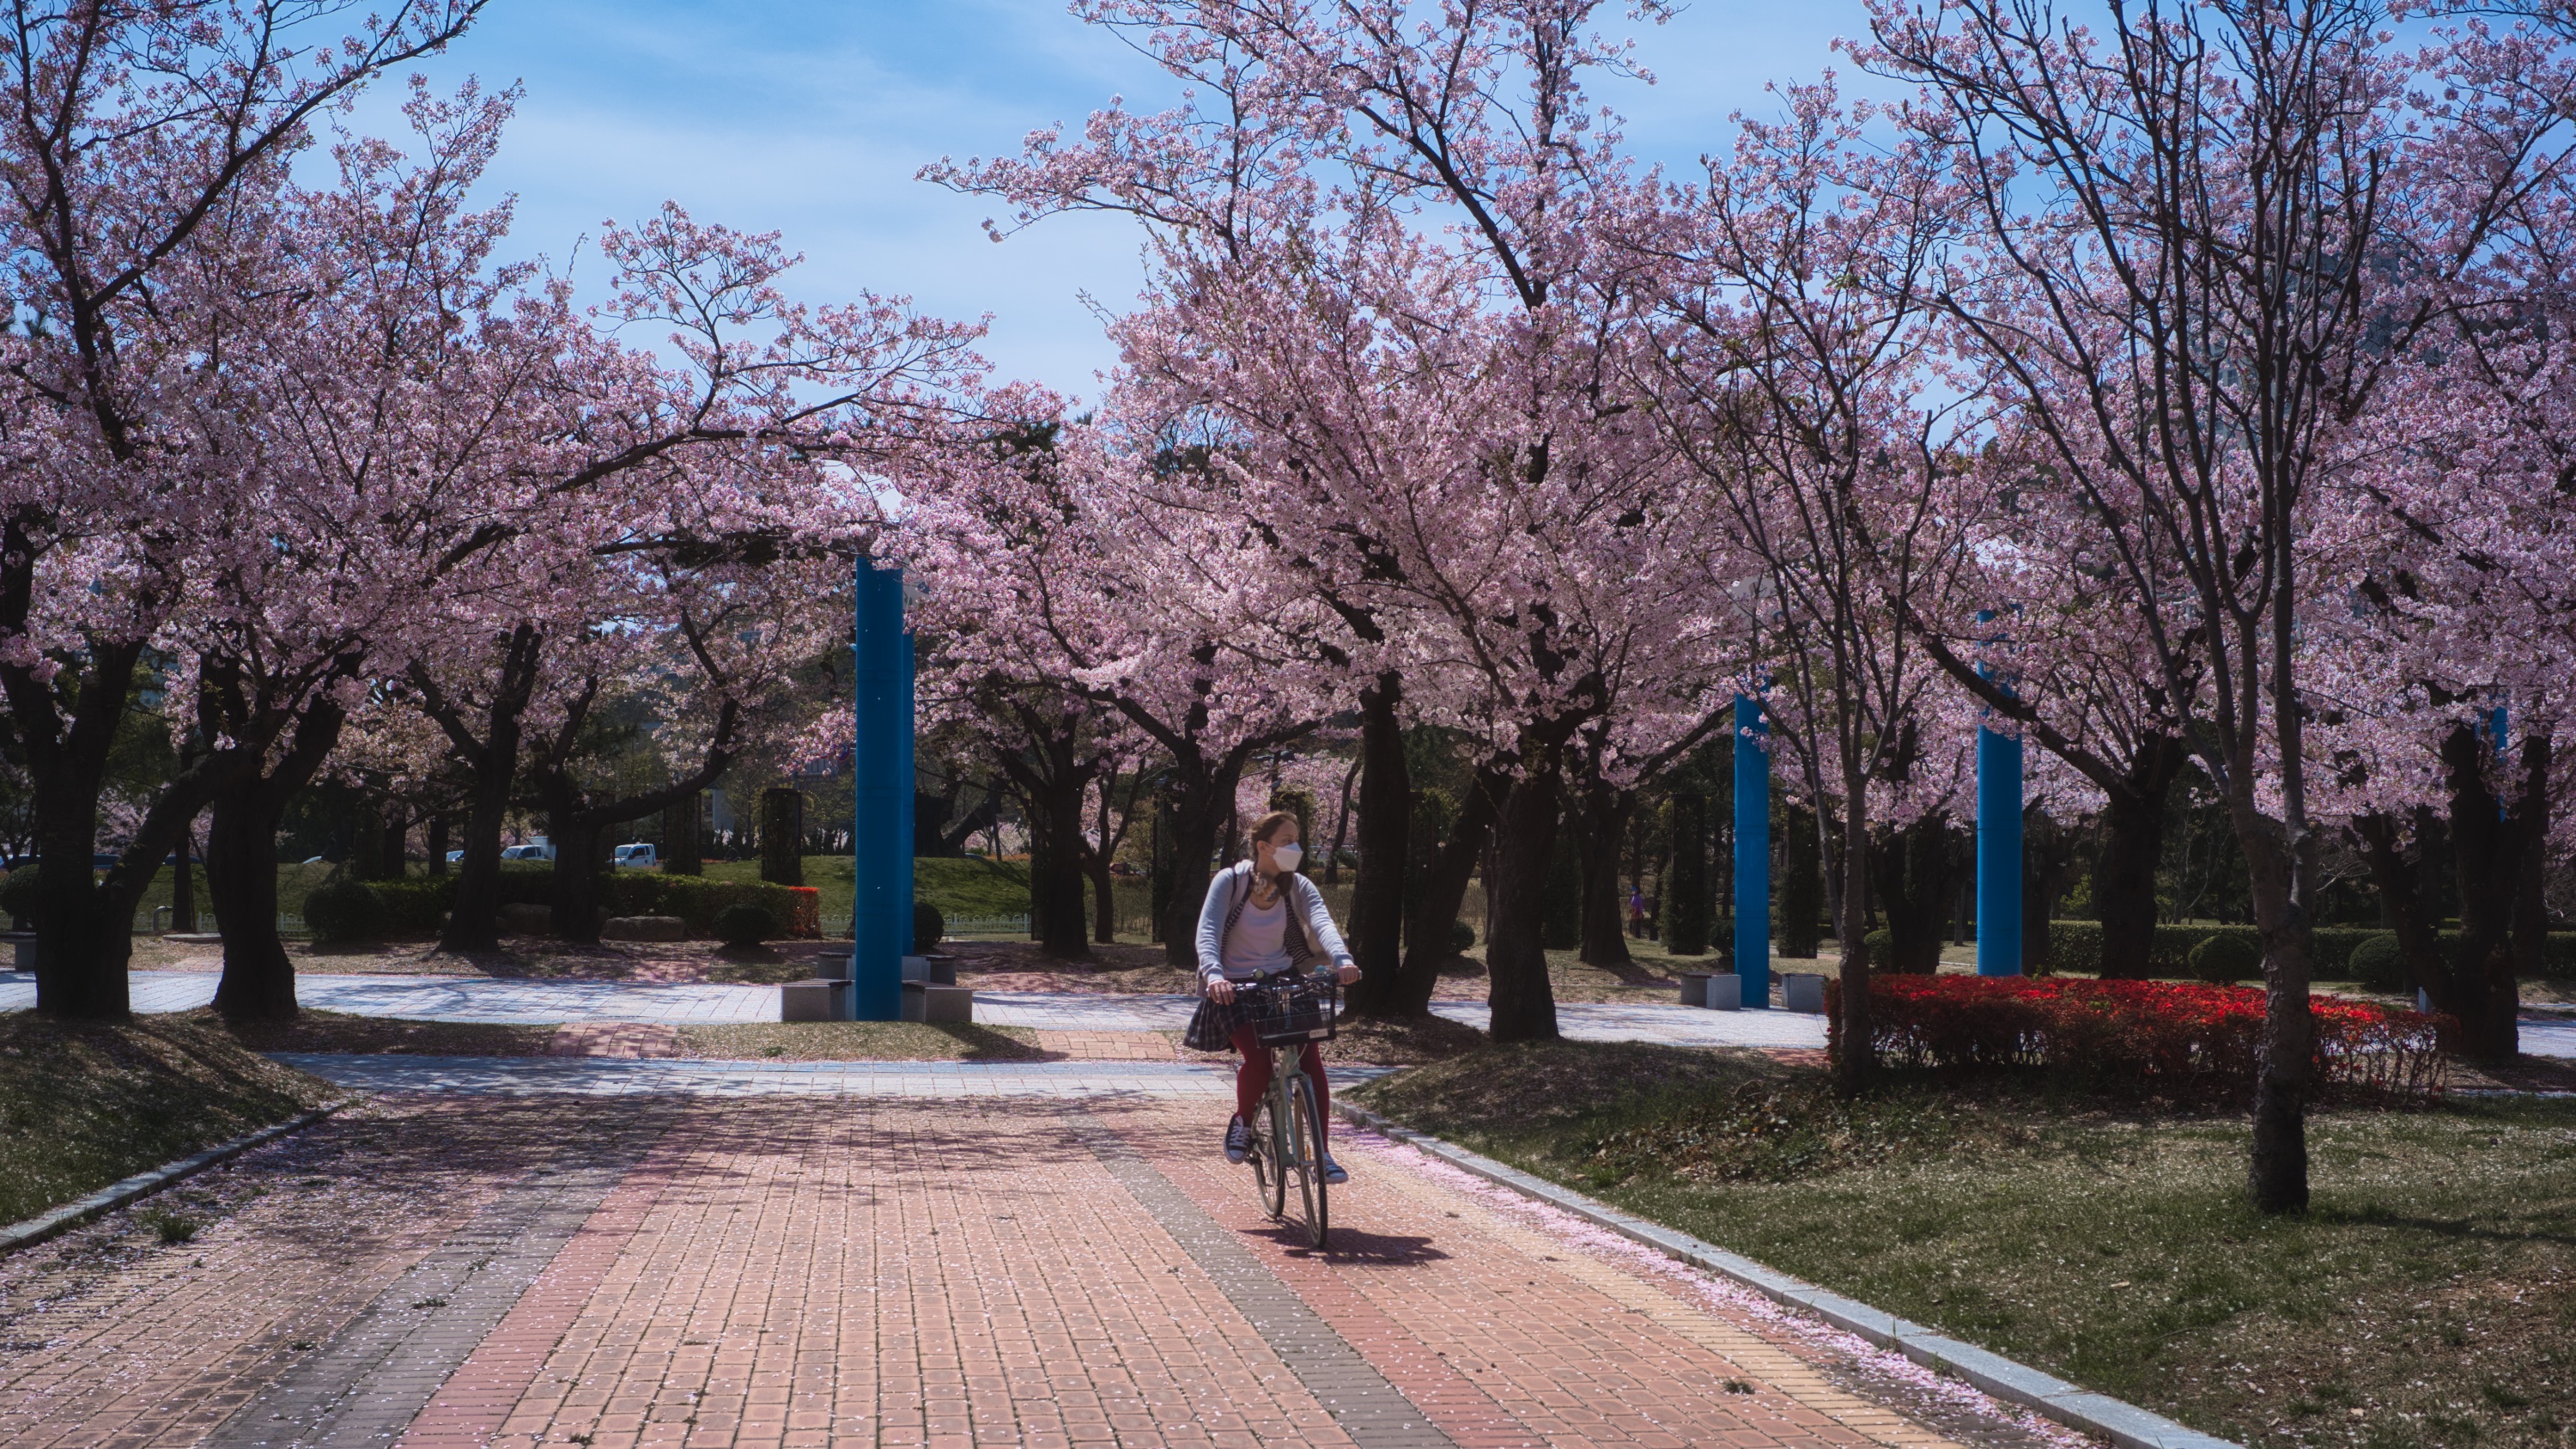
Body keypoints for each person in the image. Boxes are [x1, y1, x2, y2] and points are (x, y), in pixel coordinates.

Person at [1185, 810, 1361, 1182]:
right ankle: (1243, 1122)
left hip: (1284, 980)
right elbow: (1208, 930)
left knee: (1310, 1060)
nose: (1295, 848)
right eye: (1287, 841)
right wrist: (1214, 975)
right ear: (1264, 846)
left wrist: (1342, 958)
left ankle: (1323, 1154)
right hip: (1235, 986)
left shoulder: (1297, 886)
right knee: (1259, 1059)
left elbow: (1322, 922)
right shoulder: (1232, 881)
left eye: (1296, 840)